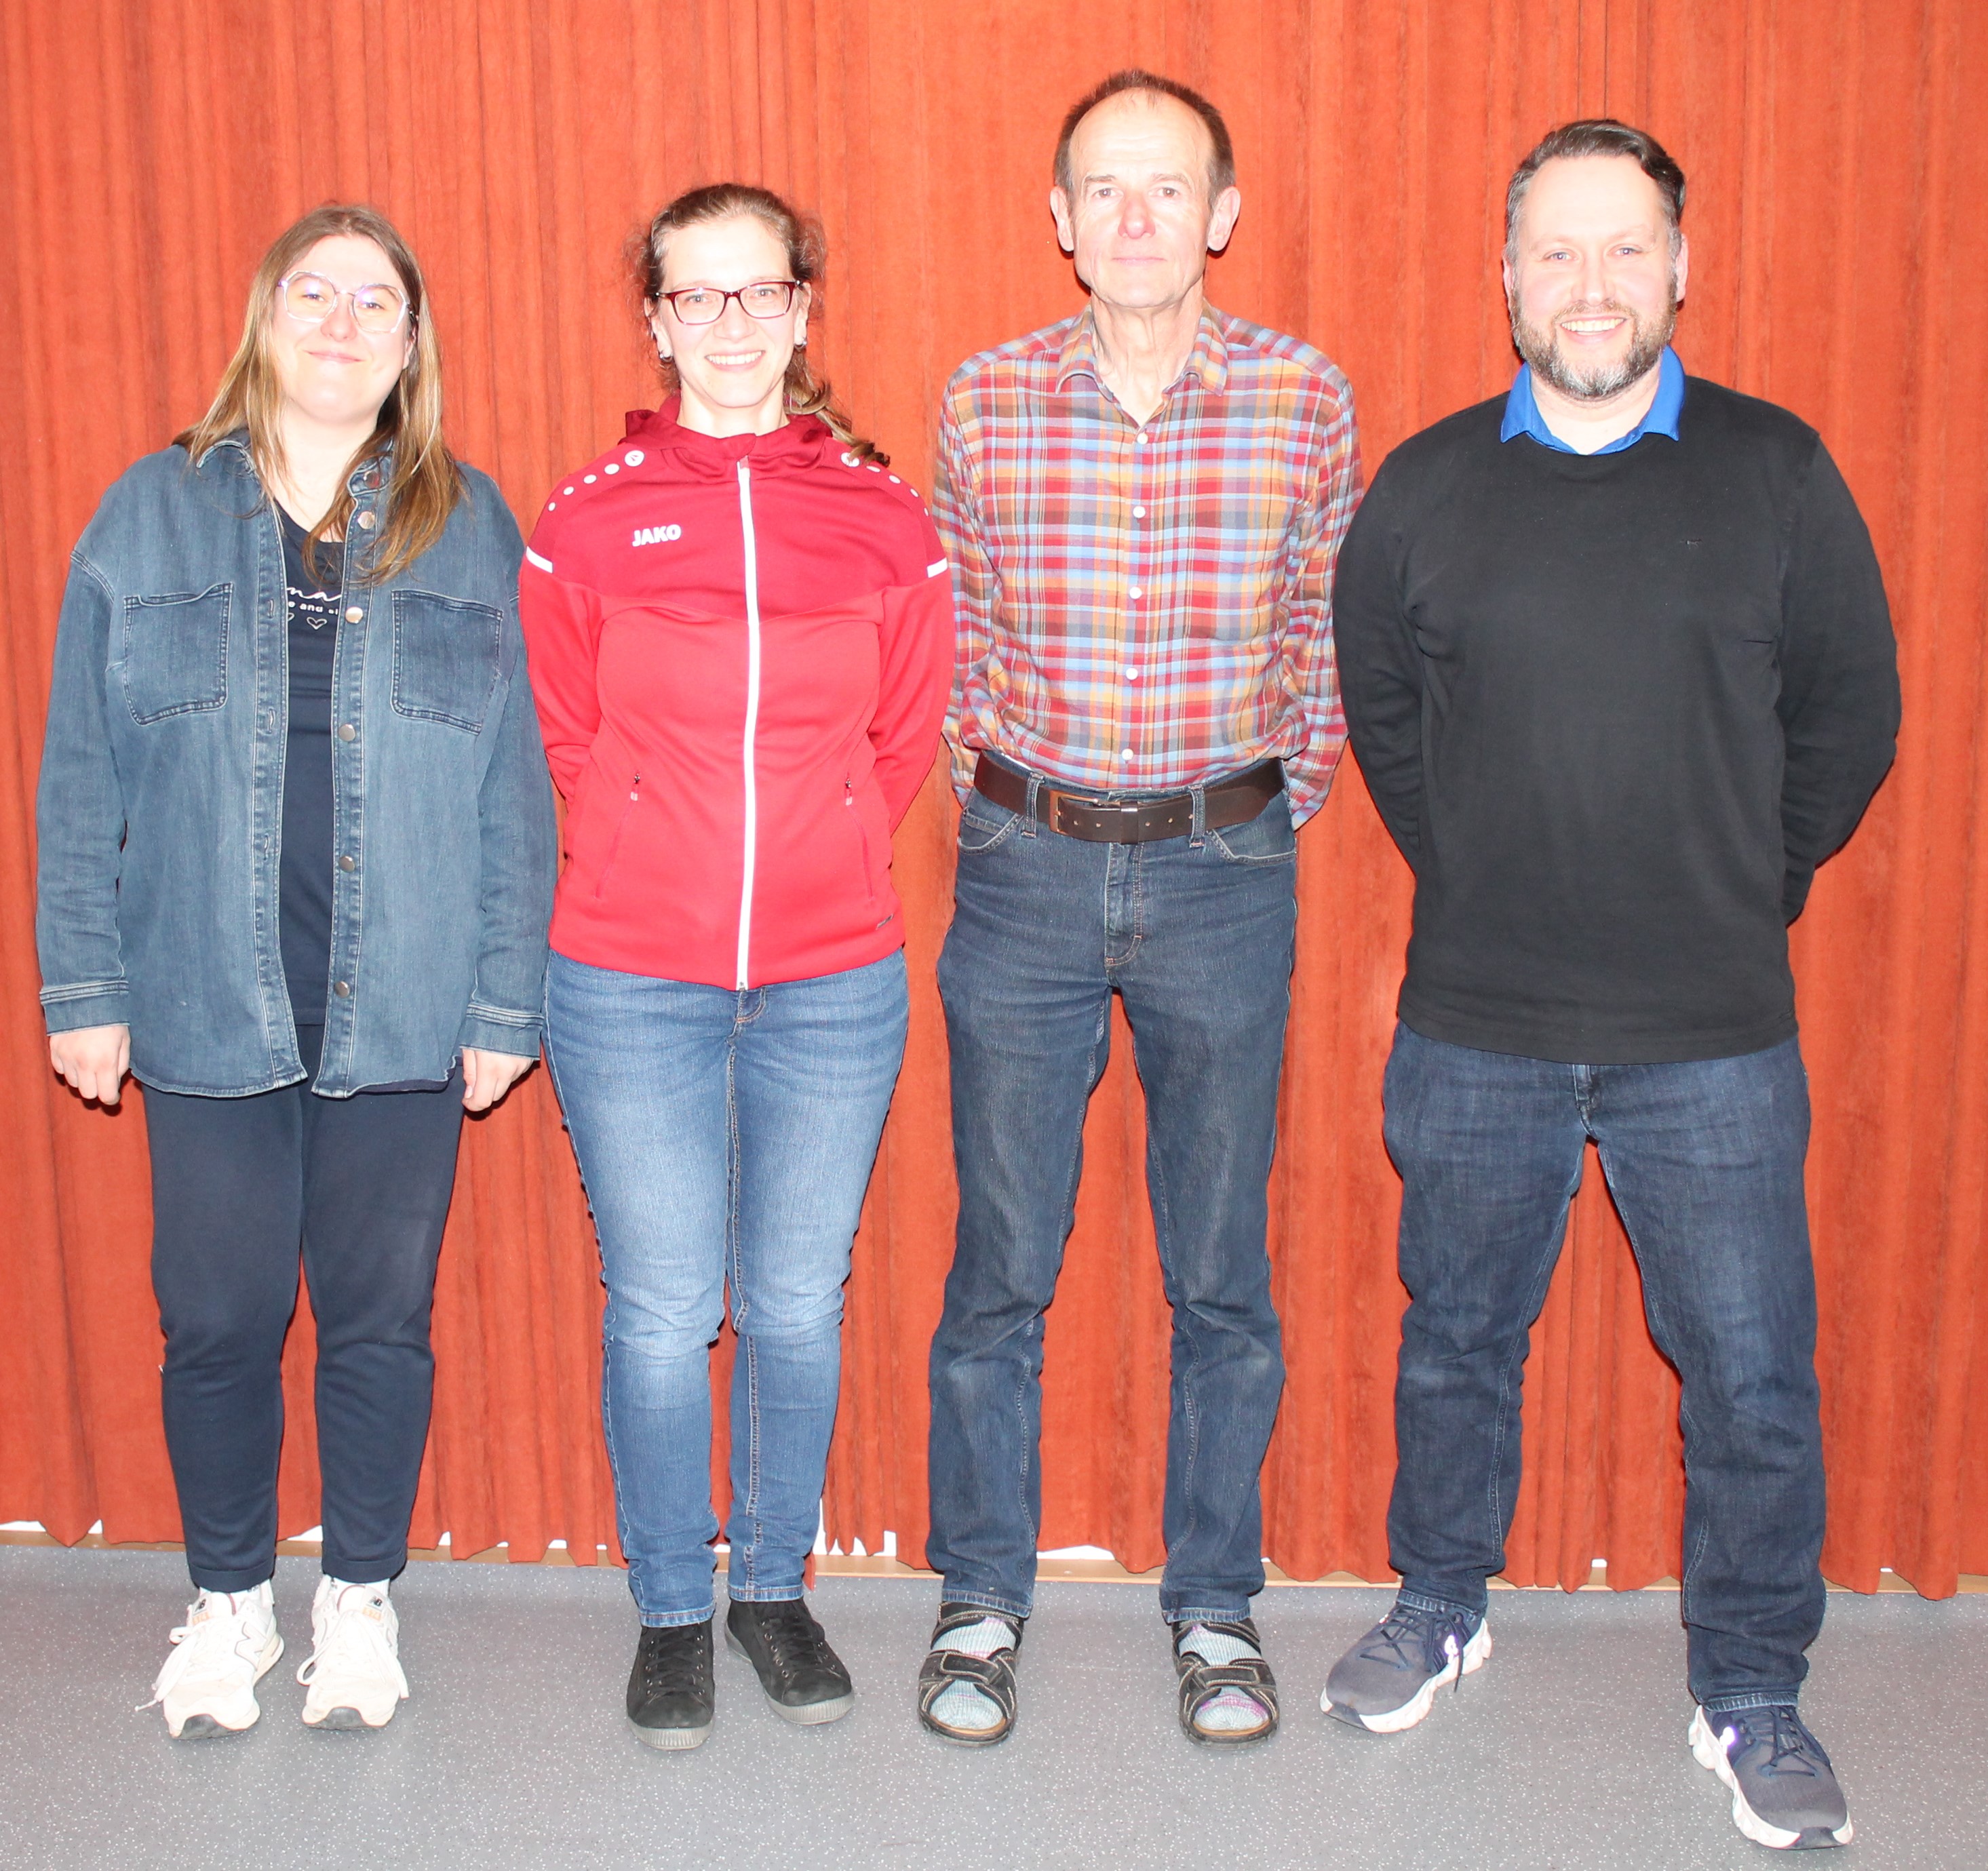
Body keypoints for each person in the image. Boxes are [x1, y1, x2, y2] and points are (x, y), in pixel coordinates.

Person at [1329, 121, 1898, 1850]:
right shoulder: (1426, 486)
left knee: (1747, 1377)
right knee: (1454, 1347)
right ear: (1504, 276)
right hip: (1476, 1021)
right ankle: (1441, 1602)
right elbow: (1385, 731)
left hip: (1707, 1034)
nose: (1589, 283)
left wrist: (1745, 884)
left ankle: (1748, 1691)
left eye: (1623, 247)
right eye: (1555, 251)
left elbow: (1847, 721)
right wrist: (1496, 873)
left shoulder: (1776, 473)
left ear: (1679, 267)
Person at [36, 205, 557, 1739]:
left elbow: (516, 787)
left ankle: (360, 1605)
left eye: (374, 302)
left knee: (379, 1317)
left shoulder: (469, 526)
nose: (341, 323)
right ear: (265, 321)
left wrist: (500, 1002)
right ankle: (226, 1604)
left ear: (411, 344)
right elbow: (79, 774)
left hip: (400, 1000)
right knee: (215, 1314)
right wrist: (84, 988)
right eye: (312, 295)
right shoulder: (150, 514)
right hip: (200, 993)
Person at [920, 71, 1362, 1748]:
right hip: (1024, 872)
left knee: (1220, 1271)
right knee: (999, 1269)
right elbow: (955, 635)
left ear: (1220, 214)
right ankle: (977, 1600)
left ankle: (1214, 1607)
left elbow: (1321, 631)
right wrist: (1000, 795)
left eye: (1164, 189)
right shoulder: (982, 400)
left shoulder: (1304, 398)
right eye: (1100, 188)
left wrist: (1267, 803)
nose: (1130, 218)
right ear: (1056, 216)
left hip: (1222, 875)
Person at [521, 184, 951, 1752]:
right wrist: (651, 845)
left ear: (801, 311)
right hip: (631, 976)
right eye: (692, 299)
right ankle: (666, 1612)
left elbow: (901, 734)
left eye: (755, 293)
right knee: (659, 1306)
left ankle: (771, 1587)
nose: (727, 325)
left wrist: (826, 839)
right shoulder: (586, 518)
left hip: (832, 977)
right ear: (654, 321)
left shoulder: (882, 516)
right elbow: (568, 733)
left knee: (790, 1301)